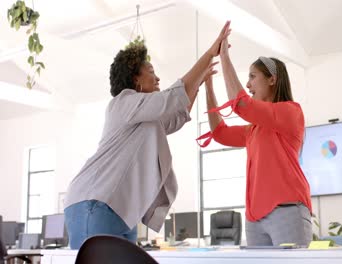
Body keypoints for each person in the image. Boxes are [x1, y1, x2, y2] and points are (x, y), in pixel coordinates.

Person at [63, 21, 231, 250]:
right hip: (94, 202)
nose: (158, 78)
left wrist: (200, 81)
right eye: (151, 72)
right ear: (135, 80)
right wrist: (210, 54)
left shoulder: (146, 117)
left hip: (122, 210)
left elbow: (176, 116)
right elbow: (170, 100)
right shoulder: (123, 103)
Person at [199, 35, 312, 246]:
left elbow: (243, 105)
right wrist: (209, 86)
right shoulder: (254, 129)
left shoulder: (290, 112)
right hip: (255, 218)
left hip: (287, 211)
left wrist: (224, 56)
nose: (248, 84)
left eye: (252, 76)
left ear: (272, 79)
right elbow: (220, 133)